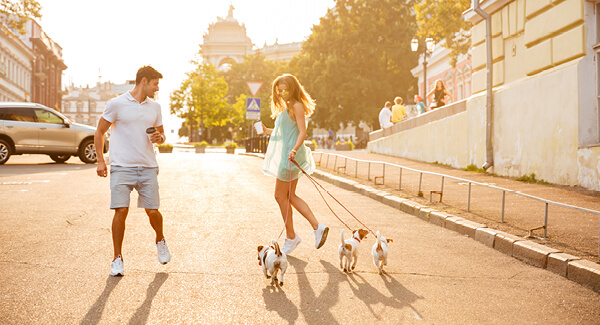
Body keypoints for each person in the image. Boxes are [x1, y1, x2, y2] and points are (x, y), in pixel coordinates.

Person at [94, 65, 171, 276]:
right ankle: (117, 258)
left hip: (147, 167)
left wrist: (160, 138)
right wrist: (101, 160)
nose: (157, 89)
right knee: (121, 211)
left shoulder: (155, 107)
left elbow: (162, 137)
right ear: (144, 81)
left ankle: (160, 239)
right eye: (155, 84)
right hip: (121, 167)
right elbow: (99, 132)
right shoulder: (116, 104)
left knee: (153, 211)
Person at [257, 74, 329, 255]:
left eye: (285, 89)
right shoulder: (286, 108)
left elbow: (302, 132)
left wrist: (295, 149)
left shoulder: (297, 106)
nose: (282, 93)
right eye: (279, 90)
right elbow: (284, 132)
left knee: (281, 196)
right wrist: (266, 131)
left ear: (293, 88)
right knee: (288, 195)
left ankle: (292, 236)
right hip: (287, 156)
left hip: (291, 156)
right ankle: (315, 227)